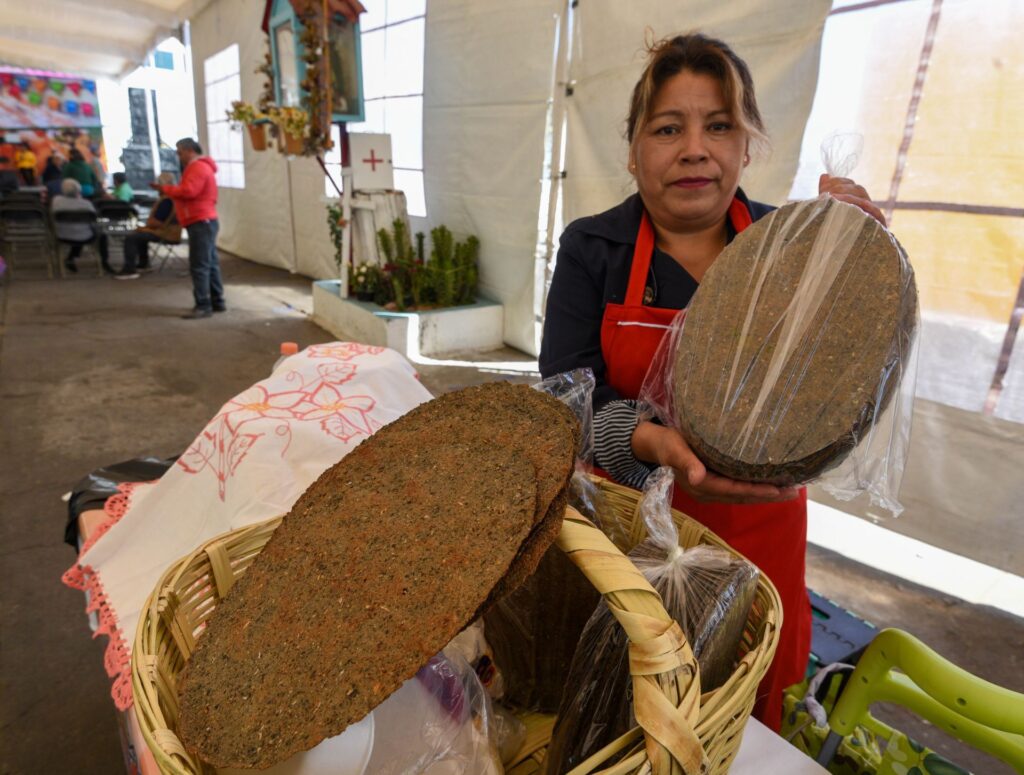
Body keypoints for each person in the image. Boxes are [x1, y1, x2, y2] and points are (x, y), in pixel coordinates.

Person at [539, 33, 884, 731]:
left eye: (719, 126)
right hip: (632, 537)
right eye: (668, 129)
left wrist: (861, 260)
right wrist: (647, 442)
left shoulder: (792, 247)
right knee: (629, 706)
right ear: (633, 150)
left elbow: (842, 377)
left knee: (745, 709)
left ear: (747, 146)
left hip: (760, 533)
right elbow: (563, 402)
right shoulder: (593, 249)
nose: (695, 149)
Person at [153, 138, 225, 318]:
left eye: (180, 153)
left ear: (189, 150)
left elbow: (189, 191)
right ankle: (217, 301)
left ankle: (203, 305)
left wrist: (167, 189)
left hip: (200, 221)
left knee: (200, 265)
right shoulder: (201, 167)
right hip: (204, 220)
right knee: (210, 264)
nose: (179, 157)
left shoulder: (197, 167)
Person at [114, 172, 181, 279]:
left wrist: (148, 224)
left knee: (131, 237)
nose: (157, 186)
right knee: (140, 234)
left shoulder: (167, 200)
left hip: (165, 233)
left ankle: (129, 270)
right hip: (171, 232)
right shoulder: (173, 198)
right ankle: (143, 264)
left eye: (158, 183)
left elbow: (156, 223)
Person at [51, 178, 113, 274]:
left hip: (62, 235)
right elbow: (93, 222)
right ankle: (104, 263)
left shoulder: (56, 201)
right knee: (98, 234)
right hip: (85, 236)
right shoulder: (86, 204)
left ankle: (70, 258)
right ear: (78, 190)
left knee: (76, 229)